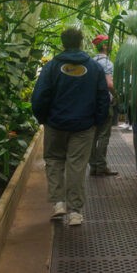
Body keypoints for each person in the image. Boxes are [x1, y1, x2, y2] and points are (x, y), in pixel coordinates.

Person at [31, 27, 110, 226]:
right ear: (81, 43)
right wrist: (97, 122)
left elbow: (40, 96)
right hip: (84, 126)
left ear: (63, 43)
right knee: (76, 166)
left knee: (54, 161)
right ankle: (75, 212)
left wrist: (44, 118)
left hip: (56, 124)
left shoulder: (51, 67)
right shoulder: (94, 68)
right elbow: (103, 98)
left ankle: (58, 203)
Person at [88, 34, 119, 176]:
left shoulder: (91, 61)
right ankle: (101, 166)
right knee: (103, 136)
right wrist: (117, 95)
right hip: (104, 103)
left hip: (91, 104)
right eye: (109, 43)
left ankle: (93, 166)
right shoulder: (107, 63)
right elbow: (109, 84)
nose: (111, 45)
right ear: (105, 46)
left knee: (93, 135)